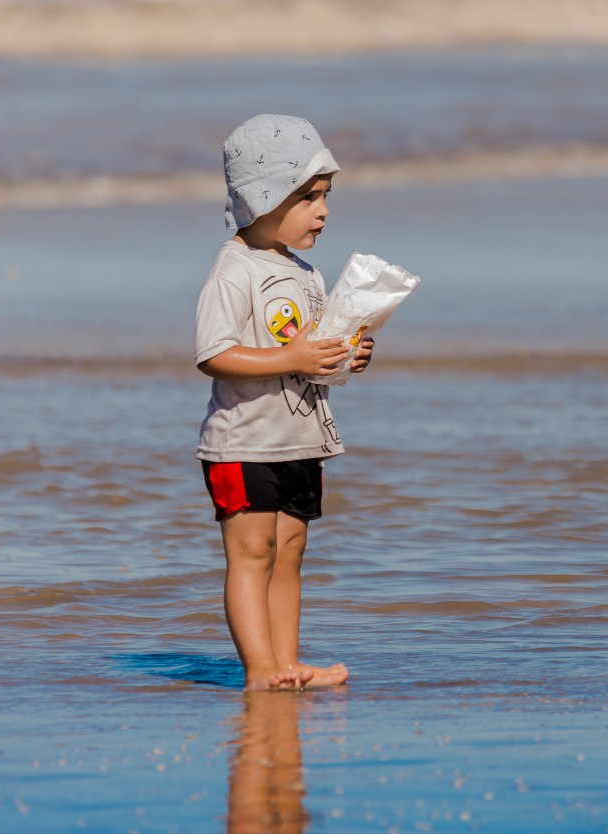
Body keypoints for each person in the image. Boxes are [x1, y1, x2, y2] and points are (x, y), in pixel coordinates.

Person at [194, 114, 374, 691]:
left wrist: (346, 356)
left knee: (289, 550)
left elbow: (310, 355)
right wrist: (290, 360)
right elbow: (213, 353)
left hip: (298, 438)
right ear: (265, 197)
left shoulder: (308, 274)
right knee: (252, 551)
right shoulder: (234, 269)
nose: (323, 211)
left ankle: (288, 663)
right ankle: (260, 670)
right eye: (309, 199)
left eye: (325, 197)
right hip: (242, 441)